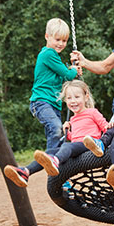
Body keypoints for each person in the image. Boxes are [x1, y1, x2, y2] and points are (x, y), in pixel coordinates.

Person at [3, 80, 113, 187]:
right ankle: (26, 172)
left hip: (91, 146)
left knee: (65, 146)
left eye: (77, 97)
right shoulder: (73, 119)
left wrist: (107, 135)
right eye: (69, 98)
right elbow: (74, 137)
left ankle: (55, 161)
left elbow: (105, 127)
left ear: (86, 97)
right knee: (51, 151)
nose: (73, 101)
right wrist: (67, 132)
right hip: (77, 147)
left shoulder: (92, 112)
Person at [29, 18, 82, 150]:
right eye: (57, 40)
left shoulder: (53, 57)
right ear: (47, 36)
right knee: (57, 128)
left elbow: (65, 76)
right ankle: (53, 159)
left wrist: (73, 70)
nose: (61, 44)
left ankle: (53, 164)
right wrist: (73, 70)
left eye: (64, 41)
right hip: (42, 101)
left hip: (53, 103)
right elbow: (68, 75)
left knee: (58, 136)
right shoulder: (48, 54)